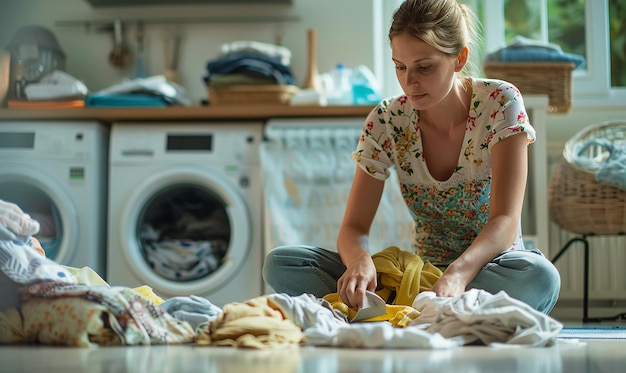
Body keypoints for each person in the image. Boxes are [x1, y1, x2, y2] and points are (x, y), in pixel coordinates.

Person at [263, 0, 561, 314]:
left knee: (540, 277)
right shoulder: (386, 119)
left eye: (424, 67)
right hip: (419, 276)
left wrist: (458, 274)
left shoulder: (501, 102)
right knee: (282, 263)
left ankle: (397, 310)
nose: (409, 81)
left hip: (489, 269)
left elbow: (505, 221)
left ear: (459, 58)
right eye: (400, 66)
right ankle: (433, 310)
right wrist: (360, 263)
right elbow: (354, 227)